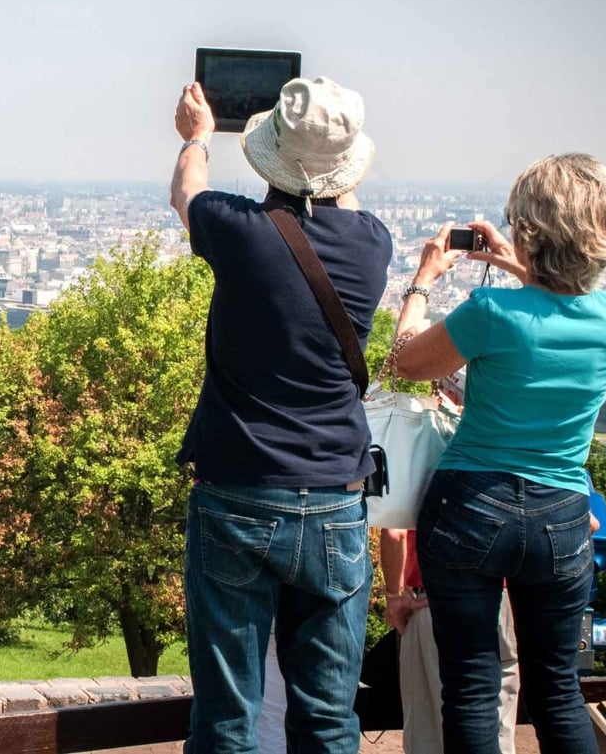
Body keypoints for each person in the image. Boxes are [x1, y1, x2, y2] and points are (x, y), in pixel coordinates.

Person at [170, 77, 393, 753]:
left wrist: (198, 135)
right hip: (335, 497)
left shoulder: (241, 234)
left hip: (239, 490)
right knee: (328, 717)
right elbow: (336, 205)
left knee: (226, 717)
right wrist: (325, 151)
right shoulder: (373, 246)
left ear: (271, 162)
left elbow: (186, 192)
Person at [395, 153, 606, 753]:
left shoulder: (491, 314)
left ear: (528, 231)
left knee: (471, 689)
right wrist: (513, 259)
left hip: (471, 504)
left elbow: (406, 361)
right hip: (562, 516)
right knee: (557, 692)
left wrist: (422, 282)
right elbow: (556, 302)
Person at [379, 529, 519, 752]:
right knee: (499, 730)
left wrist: (394, 596)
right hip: (502, 597)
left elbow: (396, 533)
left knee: (430, 736)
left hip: (433, 597)